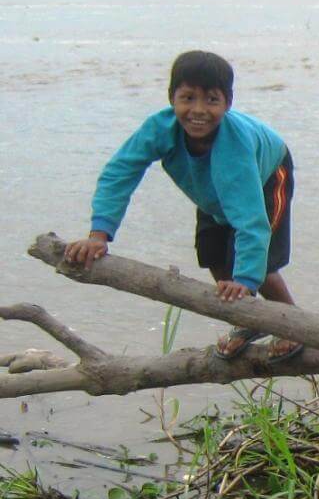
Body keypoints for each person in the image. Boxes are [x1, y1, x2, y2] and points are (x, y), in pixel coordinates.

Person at [63, 50, 302, 363]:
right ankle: (249, 318)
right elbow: (119, 172)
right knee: (212, 253)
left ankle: (291, 325)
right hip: (211, 189)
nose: (198, 111)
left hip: (266, 175)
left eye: (212, 100)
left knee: (262, 264)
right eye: (188, 98)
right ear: (171, 98)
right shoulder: (158, 128)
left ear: (228, 103)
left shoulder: (236, 149)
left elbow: (252, 222)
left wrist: (244, 281)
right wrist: (98, 235)